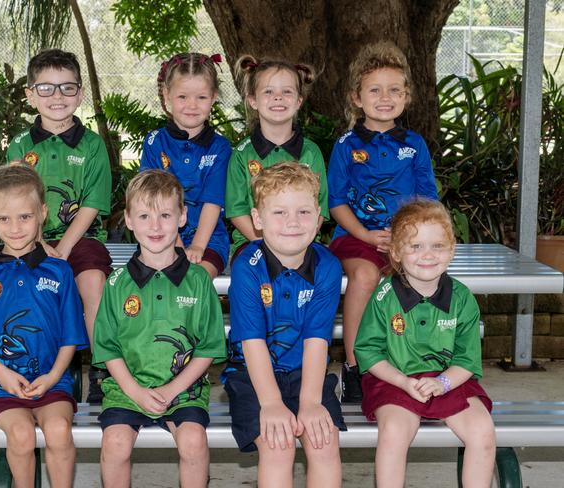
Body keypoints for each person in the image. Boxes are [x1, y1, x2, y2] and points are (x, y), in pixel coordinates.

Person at [92, 170, 226, 488]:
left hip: (184, 391)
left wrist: (171, 390)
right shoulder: (115, 284)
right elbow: (108, 348)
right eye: (144, 215)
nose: (155, 226)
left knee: (193, 441)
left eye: (165, 215)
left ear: (182, 217)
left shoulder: (199, 282)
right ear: (128, 220)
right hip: (127, 390)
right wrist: (135, 391)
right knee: (115, 444)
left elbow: (208, 348)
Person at [0, 164, 89, 488]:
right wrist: (4, 375)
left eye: (25, 217)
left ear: (42, 213)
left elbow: (70, 339)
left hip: (51, 382)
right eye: (4, 218)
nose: (15, 227)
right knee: (19, 434)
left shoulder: (60, 272)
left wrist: (53, 377)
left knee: (59, 432)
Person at [354, 199, 496, 487]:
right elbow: (368, 351)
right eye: (415, 246)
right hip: (394, 381)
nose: (427, 255)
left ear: (452, 249)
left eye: (437, 245)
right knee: (393, 430)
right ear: (395, 252)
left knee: (483, 431)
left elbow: (466, 360)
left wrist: (443, 383)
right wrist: (404, 382)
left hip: (448, 380)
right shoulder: (384, 297)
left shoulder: (462, 298)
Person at [327, 41, 438, 403]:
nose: (385, 97)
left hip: (404, 240)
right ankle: (356, 365)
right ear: (357, 97)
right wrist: (366, 234)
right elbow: (336, 202)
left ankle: (407, 361)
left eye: (394, 90)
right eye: (375, 90)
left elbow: (427, 200)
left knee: (412, 279)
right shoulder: (346, 145)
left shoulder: (415, 145)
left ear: (407, 96)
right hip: (356, 236)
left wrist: (405, 238)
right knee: (365, 276)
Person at [224, 162, 345, 487]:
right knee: (278, 446)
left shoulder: (328, 266)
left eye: (304, 212)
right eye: (279, 213)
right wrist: (272, 403)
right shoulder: (247, 267)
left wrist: (309, 402)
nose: (293, 222)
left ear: (319, 217)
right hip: (252, 374)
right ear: (258, 219)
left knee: (323, 442)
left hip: (307, 371)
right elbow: (252, 342)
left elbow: (317, 340)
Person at [6, 49, 113, 404]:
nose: (57, 97)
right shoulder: (21, 145)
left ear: (80, 94)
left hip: (81, 238)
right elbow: (16, 203)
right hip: (28, 238)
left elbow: (95, 202)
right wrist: (36, 242)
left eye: (67, 88)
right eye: (47, 88)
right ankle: (28, 364)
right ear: (30, 94)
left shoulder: (93, 145)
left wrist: (64, 248)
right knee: (22, 288)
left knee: (93, 283)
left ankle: (102, 369)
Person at [225, 55, 329, 261]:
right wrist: (269, 244)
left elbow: (320, 209)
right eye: (269, 91)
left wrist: (297, 243)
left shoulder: (311, 152)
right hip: (253, 241)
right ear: (253, 100)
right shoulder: (241, 154)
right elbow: (237, 211)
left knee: (328, 267)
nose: (278, 97)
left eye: (287, 91)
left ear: (299, 101)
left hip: (302, 242)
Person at [140, 52, 231, 278]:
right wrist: (177, 246)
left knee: (196, 280)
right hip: (158, 236)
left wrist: (198, 247)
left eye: (201, 97)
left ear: (214, 97)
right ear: (167, 95)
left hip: (209, 240)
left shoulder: (220, 148)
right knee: (157, 282)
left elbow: (213, 202)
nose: (191, 105)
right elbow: (153, 201)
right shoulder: (154, 142)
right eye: (182, 97)